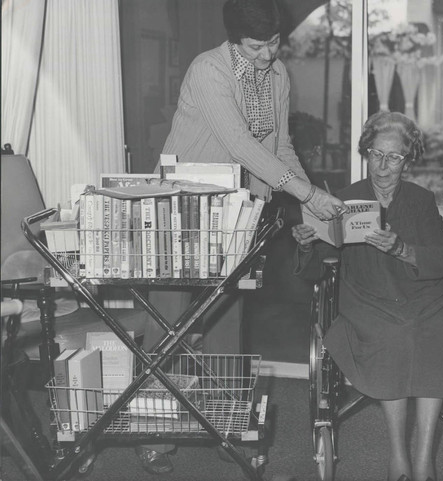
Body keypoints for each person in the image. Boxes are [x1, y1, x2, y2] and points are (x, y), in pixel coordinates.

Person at [136, 0, 346, 474]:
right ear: (234, 41)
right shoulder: (208, 70)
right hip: (180, 209)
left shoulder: (277, 75)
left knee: (228, 323)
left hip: (236, 214)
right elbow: (239, 144)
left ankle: (228, 426)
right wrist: (306, 191)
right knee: (168, 325)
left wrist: (304, 199)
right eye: (256, 45)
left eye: (274, 41)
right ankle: (154, 436)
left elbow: (279, 146)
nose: (268, 54)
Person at [292, 111, 443, 481]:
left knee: (432, 333)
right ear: (365, 153)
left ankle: (424, 457)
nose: (383, 166)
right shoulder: (344, 200)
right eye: (375, 154)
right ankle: (398, 453)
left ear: (408, 160)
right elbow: (317, 269)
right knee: (393, 337)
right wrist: (307, 245)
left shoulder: (419, 199)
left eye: (394, 157)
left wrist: (402, 249)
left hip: (422, 295)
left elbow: (440, 257)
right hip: (368, 298)